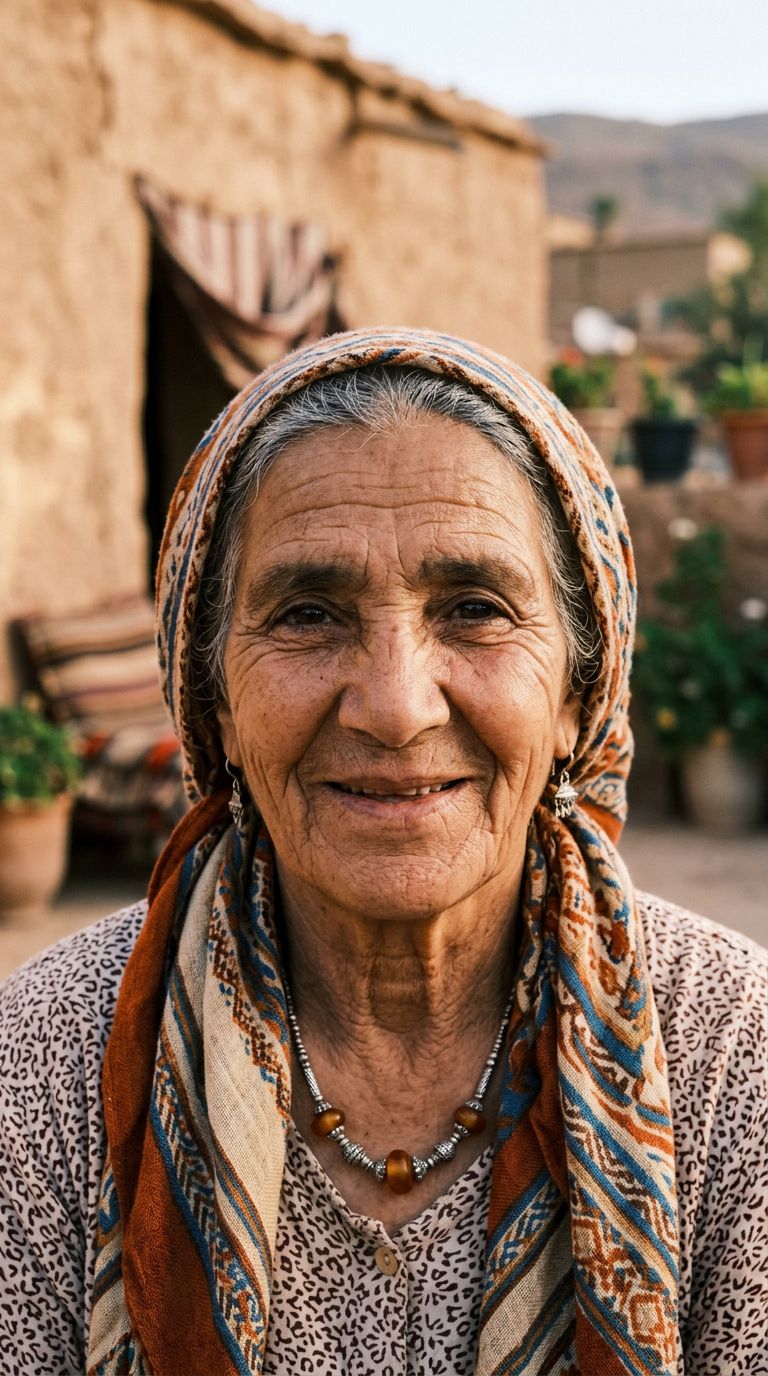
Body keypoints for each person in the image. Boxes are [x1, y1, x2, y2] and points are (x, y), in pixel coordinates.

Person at [0, 328, 765, 1376]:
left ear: (579, 694)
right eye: (308, 613)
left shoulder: (736, 1063)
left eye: (475, 609)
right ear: (212, 693)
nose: (398, 705)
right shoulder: (41, 1072)